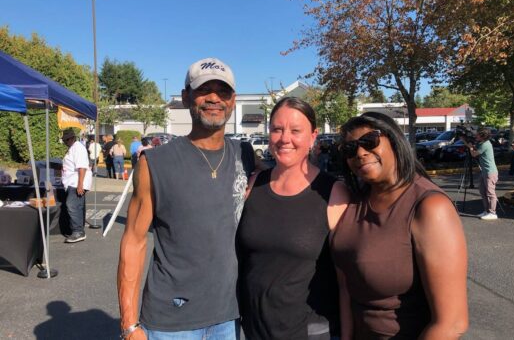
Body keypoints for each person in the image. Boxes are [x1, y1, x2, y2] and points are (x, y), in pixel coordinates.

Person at [117, 58, 255, 340]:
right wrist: (129, 325)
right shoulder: (155, 162)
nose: (214, 98)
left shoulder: (246, 155)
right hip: (170, 324)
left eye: (223, 91)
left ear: (233, 100)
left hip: (230, 319)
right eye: (204, 90)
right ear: (185, 97)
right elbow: (134, 240)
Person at [330, 112, 469, 339]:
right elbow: (346, 285)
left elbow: (452, 323)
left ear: (394, 140)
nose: (360, 152)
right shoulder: (355, 200)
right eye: (350, 149)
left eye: (369, 141)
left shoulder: (430, 207)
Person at [237, 97, 349, 340]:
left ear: (313, 136)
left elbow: (346, 280)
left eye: (296, 131)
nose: (285, 138)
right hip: (254, 330)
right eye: (277, 129)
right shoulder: (254, 184)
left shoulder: (332, 193)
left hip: (310, 331)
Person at [61, 128, 92, 243]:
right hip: (72, 181)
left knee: (72, 206)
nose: (65, 142)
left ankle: (78, 231)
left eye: (67, 139)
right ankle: (79, 229)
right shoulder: (73, 148)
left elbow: (82, 167)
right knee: (77, 206)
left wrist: (80, 185)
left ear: (73, 138)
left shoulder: (78, 148)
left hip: (75, 182)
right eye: (64, 140)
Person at [463, 128, 499, 220]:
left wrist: (470, 147)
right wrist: (464, 140)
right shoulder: (482, 143)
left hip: (490, 172)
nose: (476, 136)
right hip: (485, 171)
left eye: (478, 134)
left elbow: (474, 154)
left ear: (482, 136)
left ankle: (492, 213)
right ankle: (487, 211)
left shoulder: (485, 145)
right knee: (482, 191)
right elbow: (472, 147)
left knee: (490, 192)